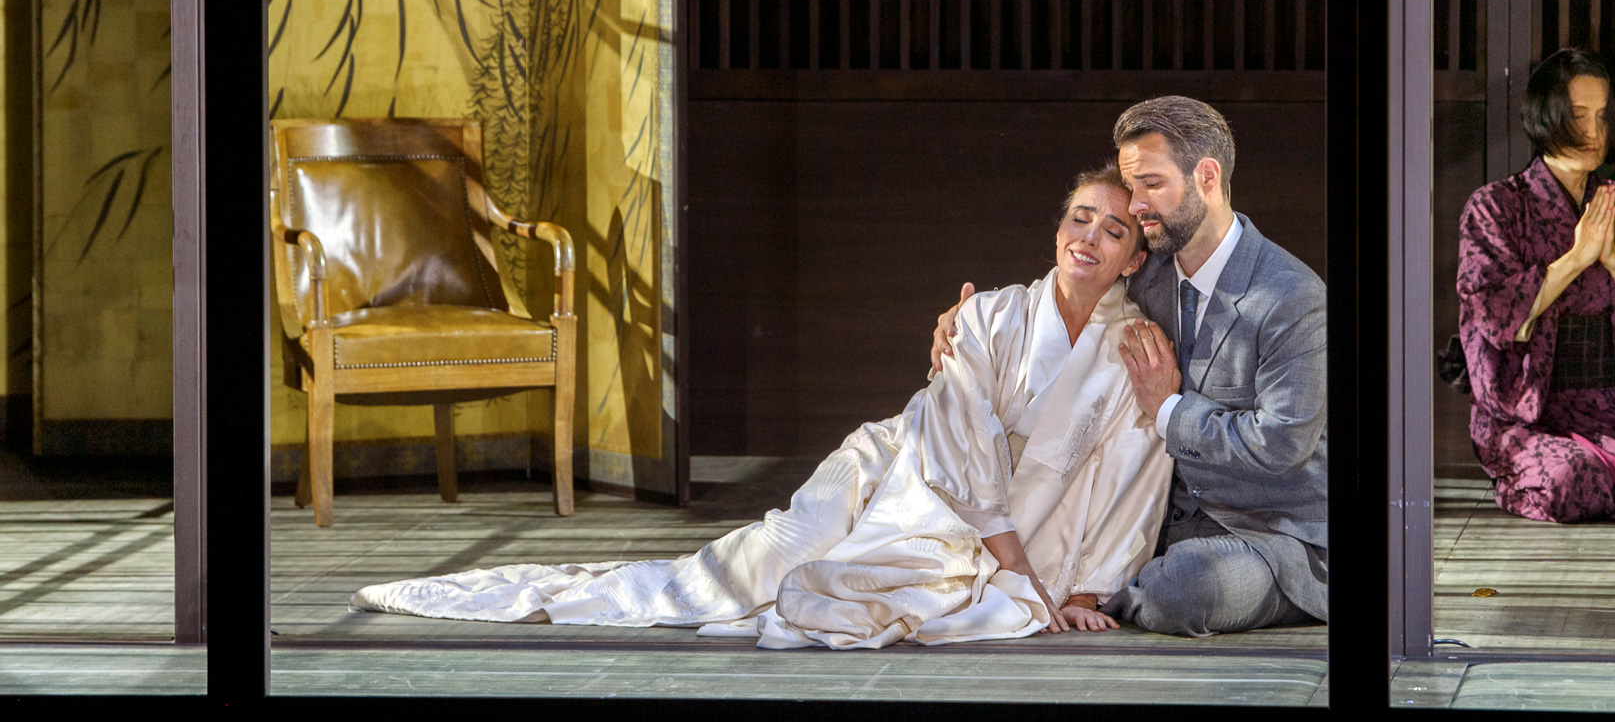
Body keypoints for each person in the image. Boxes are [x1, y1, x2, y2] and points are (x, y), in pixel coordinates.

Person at [351, 164, 1174, 649]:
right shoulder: (990, 314)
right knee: (745, 569)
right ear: (1057, 229)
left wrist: (1086, 592)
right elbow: (957, 431)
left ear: (1133, 261)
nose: (1088, 238)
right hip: (906, 476)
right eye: (1079, 219)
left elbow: (1137, 469)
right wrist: (1019, 571)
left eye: (1112, 232)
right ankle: (540, 593)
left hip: (997, 529)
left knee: (834, 591)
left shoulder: (1131, 349)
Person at [933, 97, 1328, 635]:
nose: (1136, 204)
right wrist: (965, 320)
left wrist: (1168, 409)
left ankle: (1125, 594)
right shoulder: (1147, 270)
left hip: (1270, 536)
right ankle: (1108, 586)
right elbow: (1071, 280)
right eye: (1130, 185)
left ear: (1207, 177)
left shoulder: (1291, 296)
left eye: (1151, 184)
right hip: (1159, 527)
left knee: (1186, 588)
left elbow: (1281, 445)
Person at [1456, 48, 1615, 524]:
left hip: (1612, 409)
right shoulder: (1495, 207)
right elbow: (1494, 313)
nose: (1592, 132)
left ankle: (1602, 470)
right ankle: (1521, 475)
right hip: (1529, 414)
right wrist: (1576, 258)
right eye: (1578, 115)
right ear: (1545, 116)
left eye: (1603, 117)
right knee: (1570, 478)